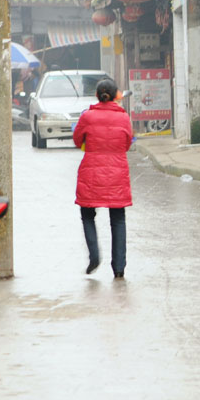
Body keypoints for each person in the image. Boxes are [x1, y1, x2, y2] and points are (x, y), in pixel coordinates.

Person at [73, 79, 134, 278]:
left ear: (97, 96)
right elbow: (126, 143)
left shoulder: (87, 116)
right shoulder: (124, 117)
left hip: (91, 174)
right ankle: (119, 269)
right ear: (115, 94)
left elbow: (77, 140)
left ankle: (94, 256)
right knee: (118, 219)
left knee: (87, 215)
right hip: (117, 173)